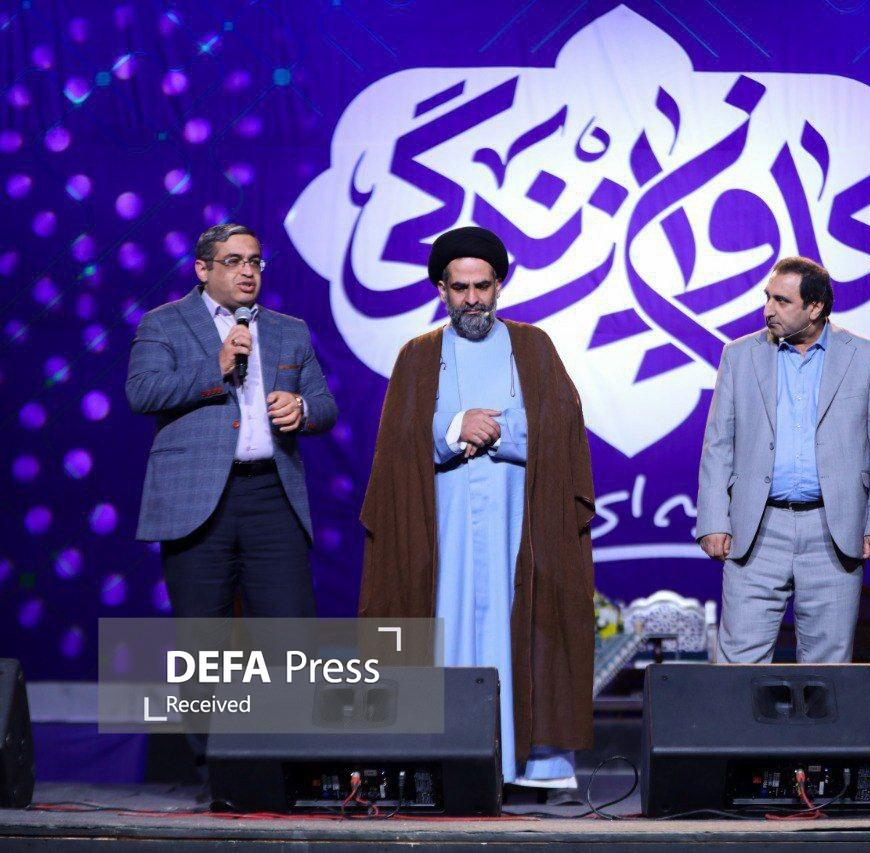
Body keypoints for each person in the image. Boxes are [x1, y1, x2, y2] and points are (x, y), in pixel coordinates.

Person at [358, 226, 595, 791]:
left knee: (525, 628)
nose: (472, 300)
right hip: (443, 531)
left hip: (521, 526)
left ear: (499, 285)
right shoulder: (418, 355)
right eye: (460, 288)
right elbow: (396, 446)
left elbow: (563, 428)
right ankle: (444, 762)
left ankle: (531, 768)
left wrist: (495, 431)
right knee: (446, 628)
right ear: (441, 290)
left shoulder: (533, 347)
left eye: (482, 287)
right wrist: (451, 430)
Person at [695, 256, 870, 663]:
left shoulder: (866, 357)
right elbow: (717, 445)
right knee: (738, 665)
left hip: (833, 530)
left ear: (815, 307)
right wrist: (714, 519)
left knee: (827, 667)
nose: (768, 310)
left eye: (782, 301)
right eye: (767, 297)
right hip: (757, 530)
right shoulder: (739, 355)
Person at [127, 222, 337, 620]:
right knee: (205, 641)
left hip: (272, 497)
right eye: (234, 261)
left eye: (255, 262)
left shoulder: (289, 330)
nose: (247, 271)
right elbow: (143, 392)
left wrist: (301, 408)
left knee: (289, 634)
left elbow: (325, 406)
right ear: (202, 269)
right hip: (197, 500)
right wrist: (217, 367)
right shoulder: (164, 322)